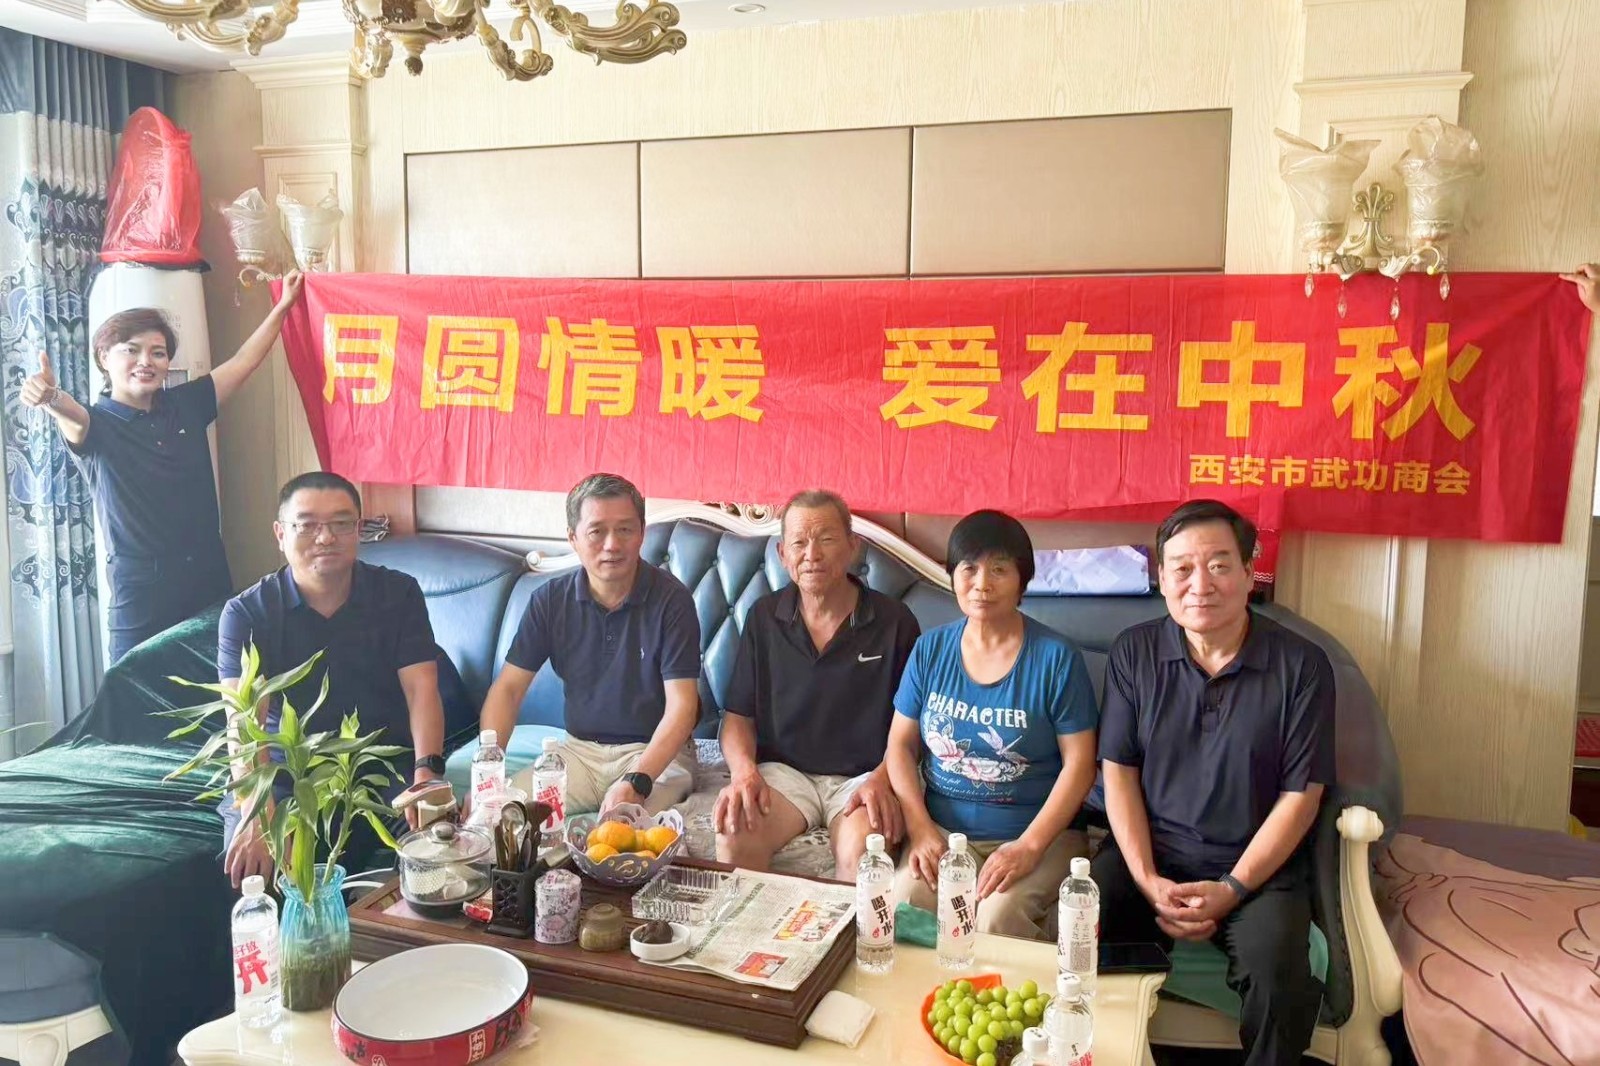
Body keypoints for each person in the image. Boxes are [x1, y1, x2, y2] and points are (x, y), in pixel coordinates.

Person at [1093, 499, 1334, 1066]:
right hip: (1154, 852)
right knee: (1088, 920)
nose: (1200, 585)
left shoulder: (1302, 666)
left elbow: (1301, 797)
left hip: (1258, 866)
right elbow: (1119, 772)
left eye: (1220, 566)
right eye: (1182, 568)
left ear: (1250, 573)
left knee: (1276, 970)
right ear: (1161, 579)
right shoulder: (1134, 652)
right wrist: (1147, 878)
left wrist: (1232, 888)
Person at [18, 272, 304, 661]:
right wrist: (51, 397)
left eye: (158, 352)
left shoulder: (186, 404)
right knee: (134, 689)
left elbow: (244, 362)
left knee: (221, 683)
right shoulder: (96, 425)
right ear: (104, 358)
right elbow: (71, 414)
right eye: (131, 350)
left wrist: (283, 306)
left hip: (207, 574)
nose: (146, 361)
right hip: (142, 591)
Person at [217, 471, 449, 888]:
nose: (325, 537)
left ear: (358, 530)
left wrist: (427, 773)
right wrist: (258, 812)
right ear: (280, 534)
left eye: (341, 523)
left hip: (381, 764)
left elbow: (422, 690)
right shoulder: (248, 613)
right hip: (287, 773)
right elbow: (243, 722)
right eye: (307, 525)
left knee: (436, 856)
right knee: (252, 869)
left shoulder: (398, 594)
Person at [886, 510, 1099, 938]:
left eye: (999, 570)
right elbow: (900, 747)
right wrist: (920, 828)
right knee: (904, 903)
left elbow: (1081, 765)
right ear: (952, 576)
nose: (982, 583)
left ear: (1022, 581)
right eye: (969, 568)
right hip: (944, 832)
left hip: (1037, 833)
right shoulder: (930, 650)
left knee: (996, 918)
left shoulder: (1056, 659)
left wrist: (1029, 846)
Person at [713, 490, 922, 880]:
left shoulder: (895, 622)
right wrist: (743, 773)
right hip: (784, 775)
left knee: (865, 853)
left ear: (852, 546)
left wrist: (883, 778)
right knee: (735, 833)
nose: (812, 554)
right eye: (799, 543)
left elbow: (913, 727)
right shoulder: (763, 617)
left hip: (865, 776)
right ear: (782, 554)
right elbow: (737, 717)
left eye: (826, 539)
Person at [481, 473, 701, 816]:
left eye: (625, 529)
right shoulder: (549, 601)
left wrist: (637, 780)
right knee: (499, 815)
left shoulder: (673, 601)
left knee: (623, 831)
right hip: (579, 754)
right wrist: (489, 777)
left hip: (654, 756)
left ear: (642, 533)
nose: (612, 544)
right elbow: (508, 689)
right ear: (573, 537)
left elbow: (682, 706)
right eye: (597, 531)